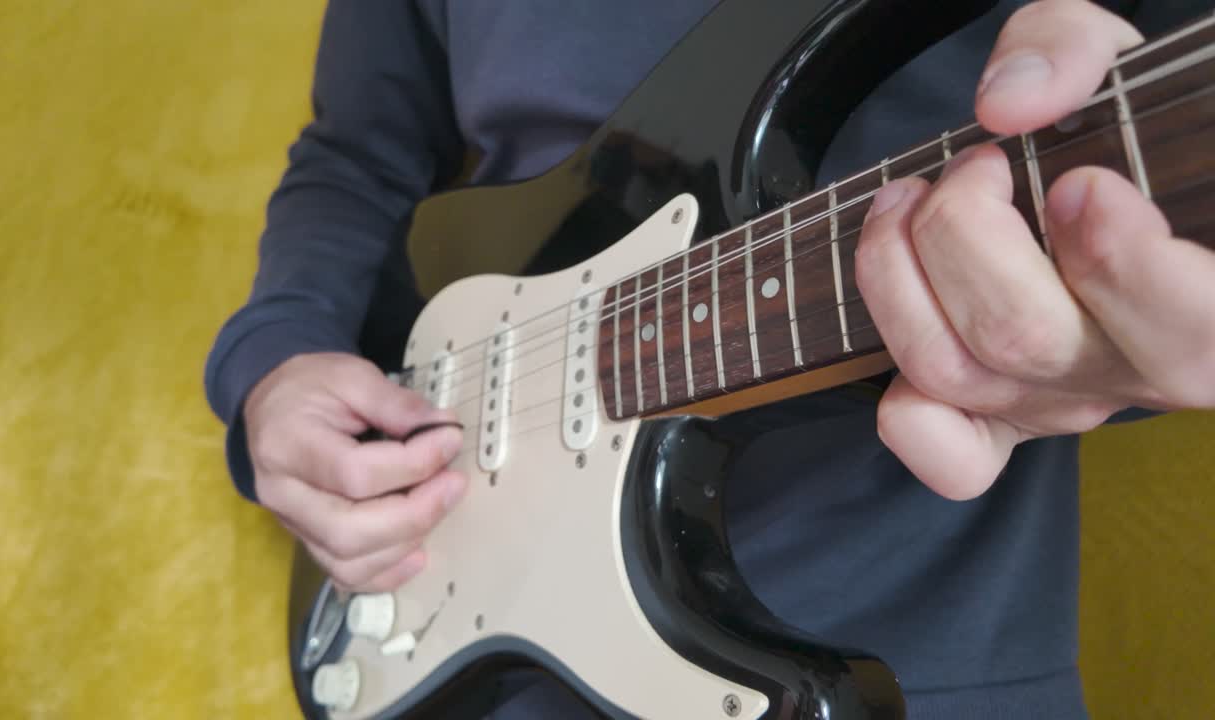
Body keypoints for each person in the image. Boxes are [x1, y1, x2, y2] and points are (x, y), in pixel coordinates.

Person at [203, 0, 1215, 717]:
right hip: (458, 611)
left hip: (918, 656)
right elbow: (355, 155)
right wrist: (274, 366)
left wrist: (1105, 332)